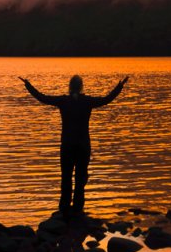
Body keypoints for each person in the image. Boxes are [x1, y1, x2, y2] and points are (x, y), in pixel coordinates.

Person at [19, 73, 129, 216]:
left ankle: (64, 208)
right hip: (83, 145)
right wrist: (120, 86)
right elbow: (107, 99)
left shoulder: (63, 101)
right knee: (80, 177)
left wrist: (28, 84)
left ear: (70, 87)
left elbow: (42, 97)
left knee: (66, 177)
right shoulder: (87, 101)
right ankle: (78, 208)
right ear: (81, 87)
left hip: (67, 145)